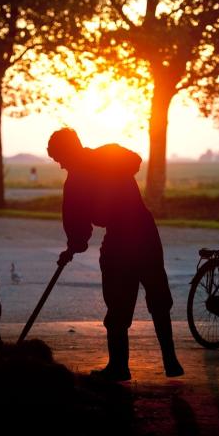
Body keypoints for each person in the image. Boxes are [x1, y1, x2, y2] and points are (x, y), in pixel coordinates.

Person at [48, 128, 184, 380]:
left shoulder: (76, 182)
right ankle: (170, 360)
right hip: (144, 231)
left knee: (119, 304)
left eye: (59, 159)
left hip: (121, 239)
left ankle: (120, 366)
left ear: (68, 151)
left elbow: (78, 229)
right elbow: (135, 161)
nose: (60, 165)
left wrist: (73, 247)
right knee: (158, 295)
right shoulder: (109, 154)